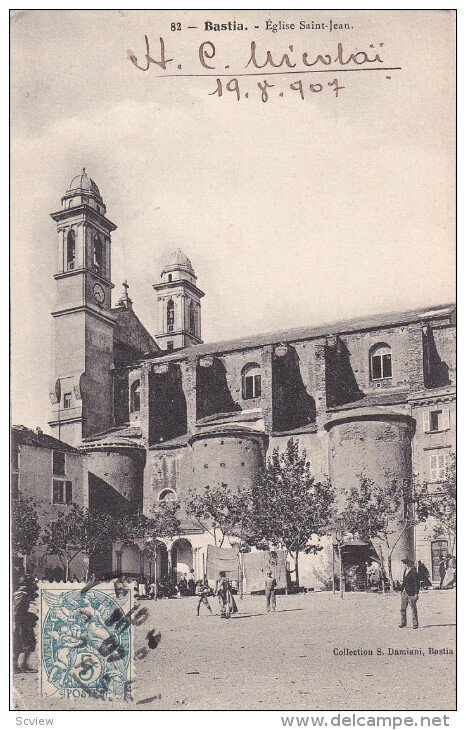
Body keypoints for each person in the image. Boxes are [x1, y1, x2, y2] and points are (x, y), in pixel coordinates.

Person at [399, 557, 420, 629]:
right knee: (403, 608)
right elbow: (404, 581)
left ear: (408, 564)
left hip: (411, 592)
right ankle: (403, 623)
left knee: (413, 608)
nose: (403, 565)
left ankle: (415, 624)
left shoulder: (414, 572)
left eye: (404, 564)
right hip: (404, 591)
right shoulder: (405, 571)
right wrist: (401, 590)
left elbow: (416, 584)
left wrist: (416, 594)